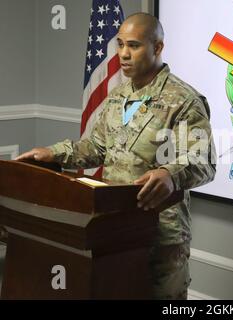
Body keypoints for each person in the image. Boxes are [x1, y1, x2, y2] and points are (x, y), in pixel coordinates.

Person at [16, 12, 216, 299]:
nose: (123, 54)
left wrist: (170, 174)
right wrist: (53, 154)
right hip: (115, 228)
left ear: (157, 47)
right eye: (120, 44)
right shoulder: (117, 96)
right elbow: (96, 148)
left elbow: (204, 161)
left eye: (133, 45)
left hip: (161, 234)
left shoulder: (183, 100)